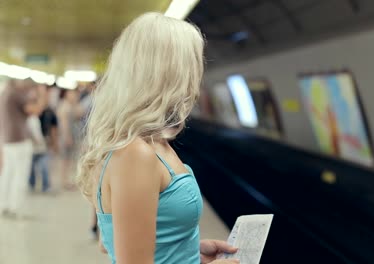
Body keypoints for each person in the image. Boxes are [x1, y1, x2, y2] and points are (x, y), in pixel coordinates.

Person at [76, 13, 239, 264]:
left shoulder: (148, 142)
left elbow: (110, 243)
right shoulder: (136, 153)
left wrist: (191, 250)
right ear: (170, 74)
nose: (197, 75)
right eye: (193, 64)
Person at [0, 79, 47, 218]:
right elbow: (36, 110)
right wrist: (42, 95)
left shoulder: (4, 94)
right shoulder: (15, 94)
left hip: (8, 141)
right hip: (19, 141)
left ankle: (4, 204)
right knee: (20, 175)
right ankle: (16, 208)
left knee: (7, 174)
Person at [57, 89, 80, 190]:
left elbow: (79, 113)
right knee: (65, 160)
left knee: (69, 160)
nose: (74, 96)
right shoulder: (64, 106)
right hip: (66, 136)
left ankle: (67, 180)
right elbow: (64, 124)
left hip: (71, 135)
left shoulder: (70, 105)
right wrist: (67, 137)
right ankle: (64, 181)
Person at [27, 114, 50, 192]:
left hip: (34, 147)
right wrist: (40, 142)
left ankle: (32, 185)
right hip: (37, 147)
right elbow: (35, 134)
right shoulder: (33, 119)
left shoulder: (33, 119)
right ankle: (45, 186)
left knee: (32, 168)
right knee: (43, 167)